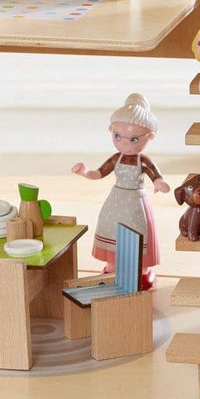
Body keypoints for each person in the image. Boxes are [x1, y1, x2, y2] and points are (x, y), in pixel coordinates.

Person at [71, 93, 170, 290]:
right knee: (112, 230)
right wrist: (85, 172)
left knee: (138, 233)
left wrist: (159, 183)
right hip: (116, 200)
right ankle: (113, 265)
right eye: (117, 136)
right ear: (111, 131)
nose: (124, 143)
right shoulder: (116, 158)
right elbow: (99, 173)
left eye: (133, 139)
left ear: (149, 136)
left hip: (136, 202)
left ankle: (141, 269)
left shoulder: (143, 161)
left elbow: (155, 176)